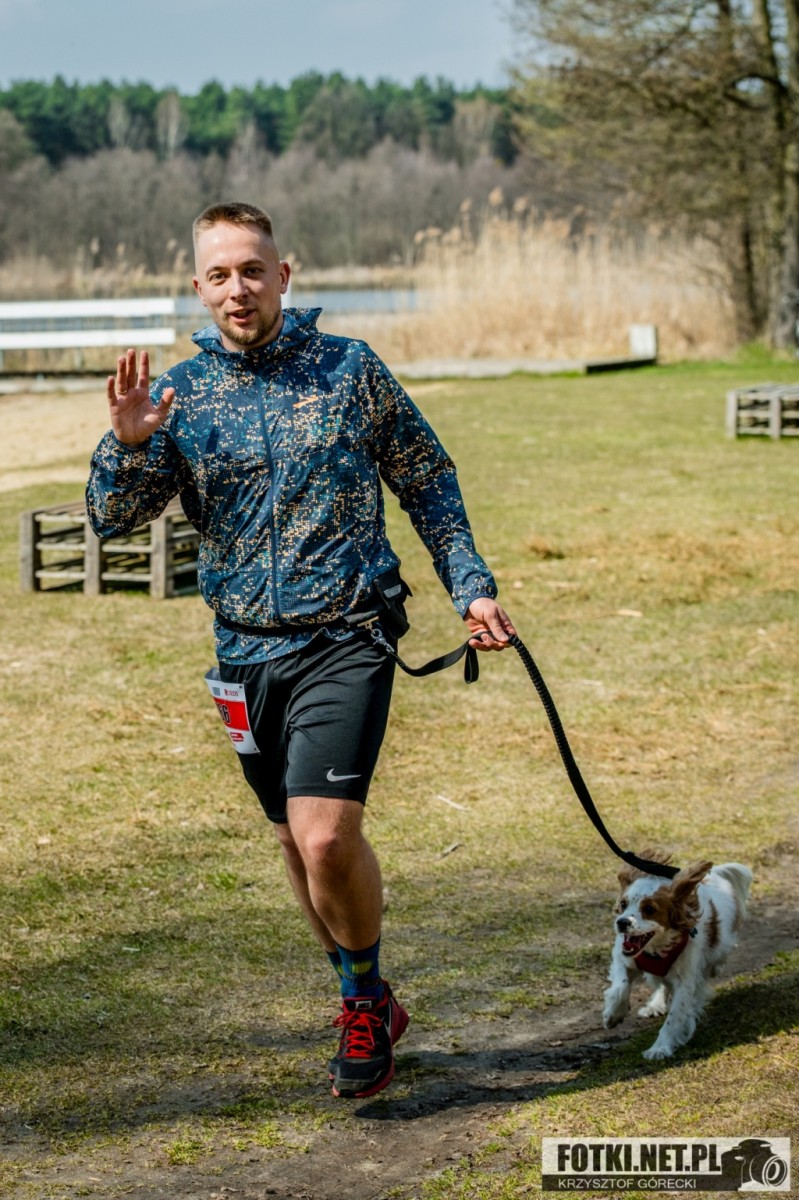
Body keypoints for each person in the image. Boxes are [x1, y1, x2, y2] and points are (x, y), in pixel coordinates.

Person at [86, 201, 516, 1099]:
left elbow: (426, 477)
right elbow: (110, 520)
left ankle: (359, 1005)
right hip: (242, 653)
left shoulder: (348, 370)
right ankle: (368, 995)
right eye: (218, 274)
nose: (237, 288)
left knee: (324, 837)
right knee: (290, 835)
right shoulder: (180, 397)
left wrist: (470, 586)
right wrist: (125, 448)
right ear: (198, 287)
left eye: (252, 269)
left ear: (282, 274)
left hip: (346, 633)